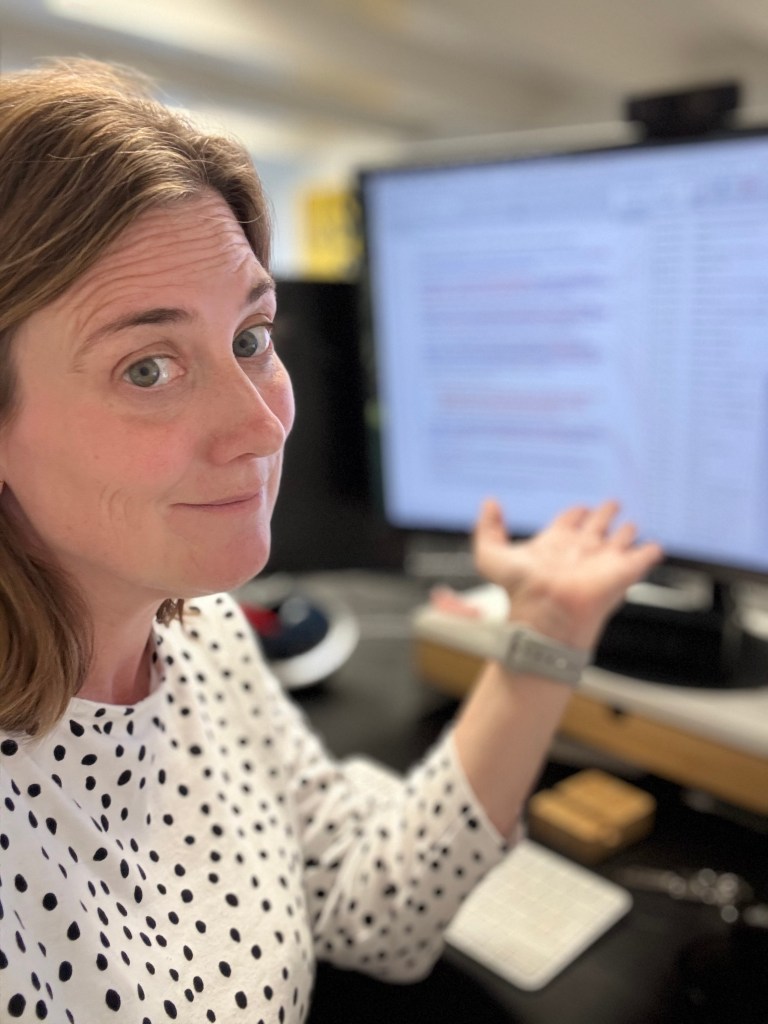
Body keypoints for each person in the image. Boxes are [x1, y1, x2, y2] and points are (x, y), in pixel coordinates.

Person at [0, 58, 663, 1024]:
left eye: (250, 338)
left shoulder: (201, 642)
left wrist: (546, 631)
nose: (263, 425)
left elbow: (373, 905)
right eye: (147, 367)